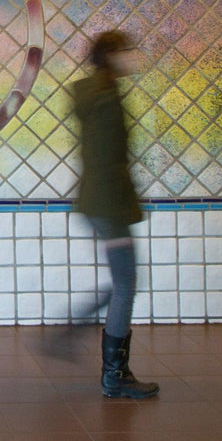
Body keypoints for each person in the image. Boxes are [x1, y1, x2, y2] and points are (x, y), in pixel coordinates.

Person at [70, 30, 159, 399]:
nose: (133, 58)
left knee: (125, 280)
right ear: (111, 55)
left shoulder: (93, 92)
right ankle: (114, 375)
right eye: (128, 52)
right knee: (126, 283)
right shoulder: (107, 98)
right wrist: (123, 210)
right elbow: (110, 160)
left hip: (99, 201)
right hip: (109, 204)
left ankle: (80, 333)